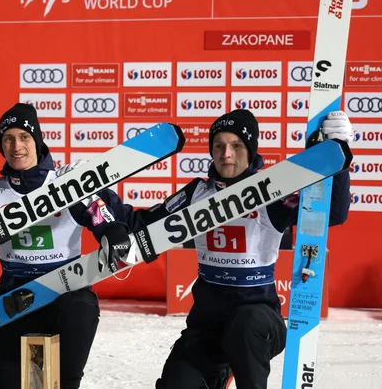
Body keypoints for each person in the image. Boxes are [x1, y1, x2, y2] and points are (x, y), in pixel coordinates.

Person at [150, 109, 352, 389]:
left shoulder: (270, 194)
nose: (226, 154)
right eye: (218, 146)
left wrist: (337, 155)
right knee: (176, 383)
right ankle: (219, 373)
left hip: (259, 321)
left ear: (250, 150)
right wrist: (106, 215)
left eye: (236, 146)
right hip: (207, 325)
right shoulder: (197, 193)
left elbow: (333, 214)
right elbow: (149, 223)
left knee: (244, 326)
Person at [0, 103, 139, 389]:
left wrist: (113, 231)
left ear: (37, 140)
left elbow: (102, 220)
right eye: (8, 139)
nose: (16, 146)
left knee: (79, 317)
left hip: (65, 297)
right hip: (15, 299)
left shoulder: (65, 183)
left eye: (24, 137)